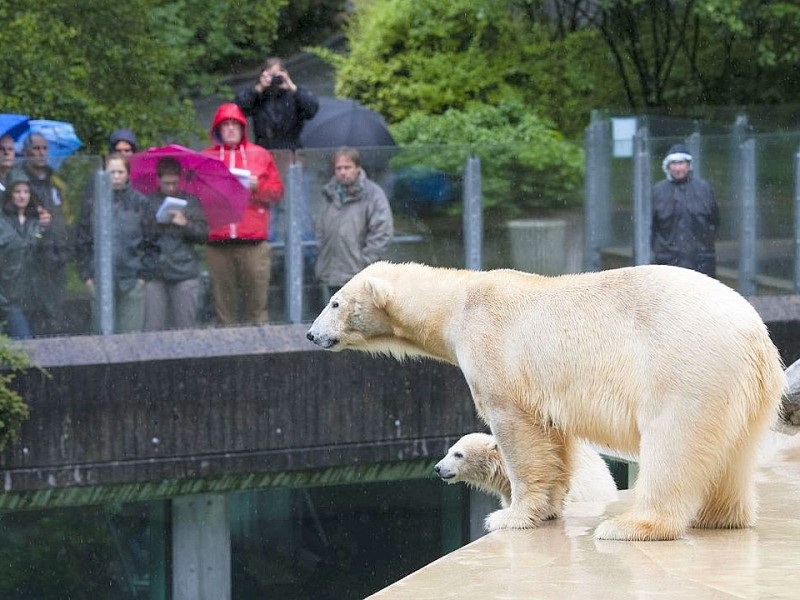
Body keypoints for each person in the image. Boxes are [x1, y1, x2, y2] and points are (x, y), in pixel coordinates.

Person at [202, 103, 284, 325]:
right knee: (224, 311)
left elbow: (276, 194)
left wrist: (257, 187)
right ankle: (227, 356)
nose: (229, 129)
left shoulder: (260, 155)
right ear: (217, 130)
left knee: (257, 307)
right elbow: (195, 196)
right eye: (224, 125)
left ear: (242, 128)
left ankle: (262, 355)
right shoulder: (205, 158)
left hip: (253, 242)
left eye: (234, 124)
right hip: (218, 242)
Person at [75, 153, 149, 333]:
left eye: (120, 172)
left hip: (131, 280)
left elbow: (151, 242)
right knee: (102, 336)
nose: (115, 177)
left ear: (127, 174)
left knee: (130, 337)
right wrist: (87, 277)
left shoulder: (141, 203)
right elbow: (81, 242)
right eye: (111, 172)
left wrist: (143, 277)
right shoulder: (92, 203)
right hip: (99, 279)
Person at [314, 147, 394, 299]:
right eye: (339, 168)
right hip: (330, 271)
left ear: (358, 168)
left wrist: (365, 261)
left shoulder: (373, 194)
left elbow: (383, 231)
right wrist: (322, 252)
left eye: (347, 167)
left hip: (359, 273)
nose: (343, 172)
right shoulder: (328, 193)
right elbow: (319, 228)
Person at [141, 156, 209, 331]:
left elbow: (203, 235)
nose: (171, 188)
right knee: (153, 328)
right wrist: (157, 224)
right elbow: (141, 237)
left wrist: (185, 223)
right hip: (156, 271)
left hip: (184, 271)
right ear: (158, 180)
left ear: (180, 179)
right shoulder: (148, 202)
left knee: (186, 327)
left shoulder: (191, 202)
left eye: (174, 183)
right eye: (166, 184)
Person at [19, 132, 72, 335]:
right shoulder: (21, 181)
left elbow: (66, 216)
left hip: (57, 257)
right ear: (26, 152)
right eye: (36, 149)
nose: (41, 153)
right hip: (33, 258)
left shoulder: (55, 179)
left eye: (44, 148)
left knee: (56, 311)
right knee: (35, 312)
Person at [651, 143, 720, 278]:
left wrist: (705, 246)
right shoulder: (658, 191)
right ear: (667, 166)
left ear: (688, 164)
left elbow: (714, 221)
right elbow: (652, 227)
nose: (678, 168)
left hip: (701, 260)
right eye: (674, 163)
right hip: (668, 261)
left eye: (681, 163)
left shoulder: (703, 188)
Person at [0, 170, 51, 338]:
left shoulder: (37, 221)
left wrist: (46, 228)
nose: (22, 196)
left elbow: (48, 258)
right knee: (24, 341)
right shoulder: (2, 222)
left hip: (36, 299)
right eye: (17, 191)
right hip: (10, 299)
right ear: (9, 194)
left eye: (26, 191)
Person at [234, 57, 319, 153]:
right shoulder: (258, 96)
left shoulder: (294, 95)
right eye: (270, 75)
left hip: (291, 150)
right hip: (264, 151)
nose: (273, 80)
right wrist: (258, 88)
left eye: (276, 75)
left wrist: (292, 87)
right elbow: (237, 108)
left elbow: (312, 110)